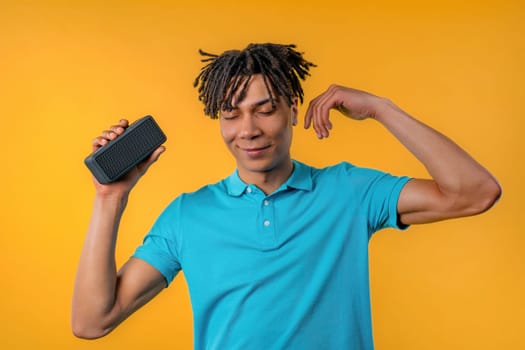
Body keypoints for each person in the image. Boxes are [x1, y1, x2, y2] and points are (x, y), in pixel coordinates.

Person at [72, 43, 501, 349]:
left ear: (293, 108)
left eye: (265, 108)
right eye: (231, 114)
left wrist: (380, 108)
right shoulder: (188, 215)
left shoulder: (350, 191)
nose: (249, 129)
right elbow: (92, 322)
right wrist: (109, 199)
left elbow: (475, 193)